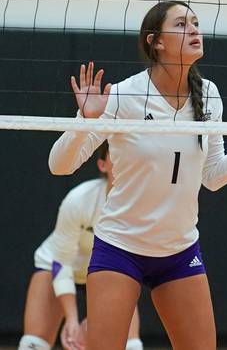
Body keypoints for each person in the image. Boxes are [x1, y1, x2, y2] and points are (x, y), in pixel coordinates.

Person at [48, 0, 227, 350]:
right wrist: (84, 123)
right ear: (156, 41)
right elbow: (59, 165)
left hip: (179, 252)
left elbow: (212, 175)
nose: (194, 30)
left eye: (195, 23)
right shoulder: (121, 96)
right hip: (120, 248)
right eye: (182, 24)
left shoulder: (209, 95)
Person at [19, 142, 141, 350]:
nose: (123, 158)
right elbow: (60, 261)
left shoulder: (142, 205)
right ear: (102, 165)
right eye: (116, 153)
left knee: (129, 345)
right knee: (33, 344)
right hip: (57, 265)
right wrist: (73, 320)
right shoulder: (79, 199)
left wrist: (96, 320)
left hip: (110, 272)